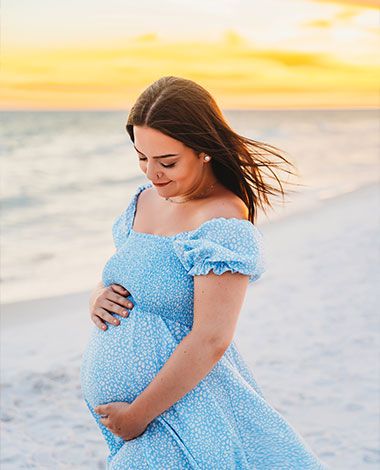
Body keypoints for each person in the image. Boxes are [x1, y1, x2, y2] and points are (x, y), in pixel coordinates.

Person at [80, 76, 328, 469]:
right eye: (141, 157)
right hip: (142, 421)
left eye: (167, 162)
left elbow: (212, 337)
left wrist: (138, 414)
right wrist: (98, 295)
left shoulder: (221, 222)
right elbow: (128, 274)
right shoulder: (144, 200)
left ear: (204, 151)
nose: (151, 173)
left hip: (182, 412)